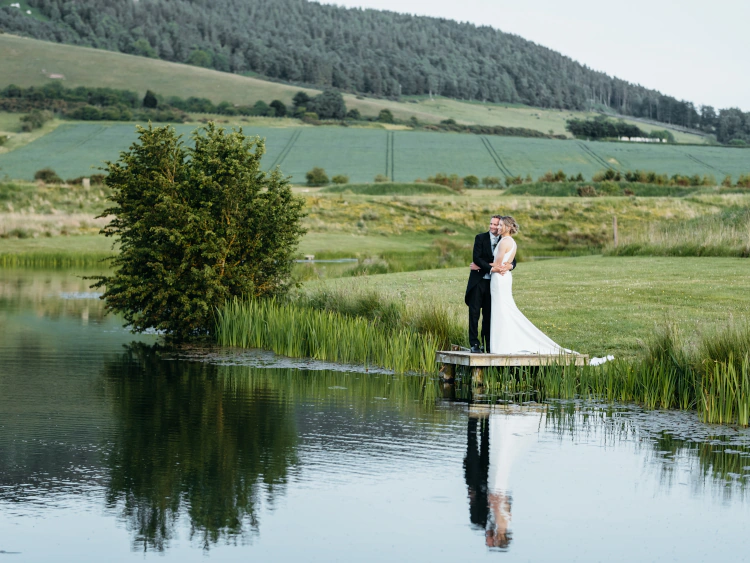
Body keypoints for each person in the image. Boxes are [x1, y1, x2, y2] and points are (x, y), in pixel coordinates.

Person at [489, 216, 574, 355]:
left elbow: (497, 265)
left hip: (499, 278)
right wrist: (508, 265)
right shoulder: (512, 242)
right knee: (503, 309)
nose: (498, 227)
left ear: (508, 228)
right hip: (504, 277)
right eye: (497, 226)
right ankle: (504, 343)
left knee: (502, 309)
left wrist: (481, 266)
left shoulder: (504, 242)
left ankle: (501, 346)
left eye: (501, 225)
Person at [465, 216, 516, 353]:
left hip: (493, 282)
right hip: (478, 280)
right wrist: (491, 268)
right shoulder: (480, 238)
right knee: (474, 312)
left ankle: (487, 344)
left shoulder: (504, 239)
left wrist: (509, 265)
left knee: (489, 314)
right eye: (492, 224)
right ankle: (474, 343)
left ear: (502, 226)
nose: (493, 227)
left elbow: (513, 260)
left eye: (497, 224)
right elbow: (476, 258)